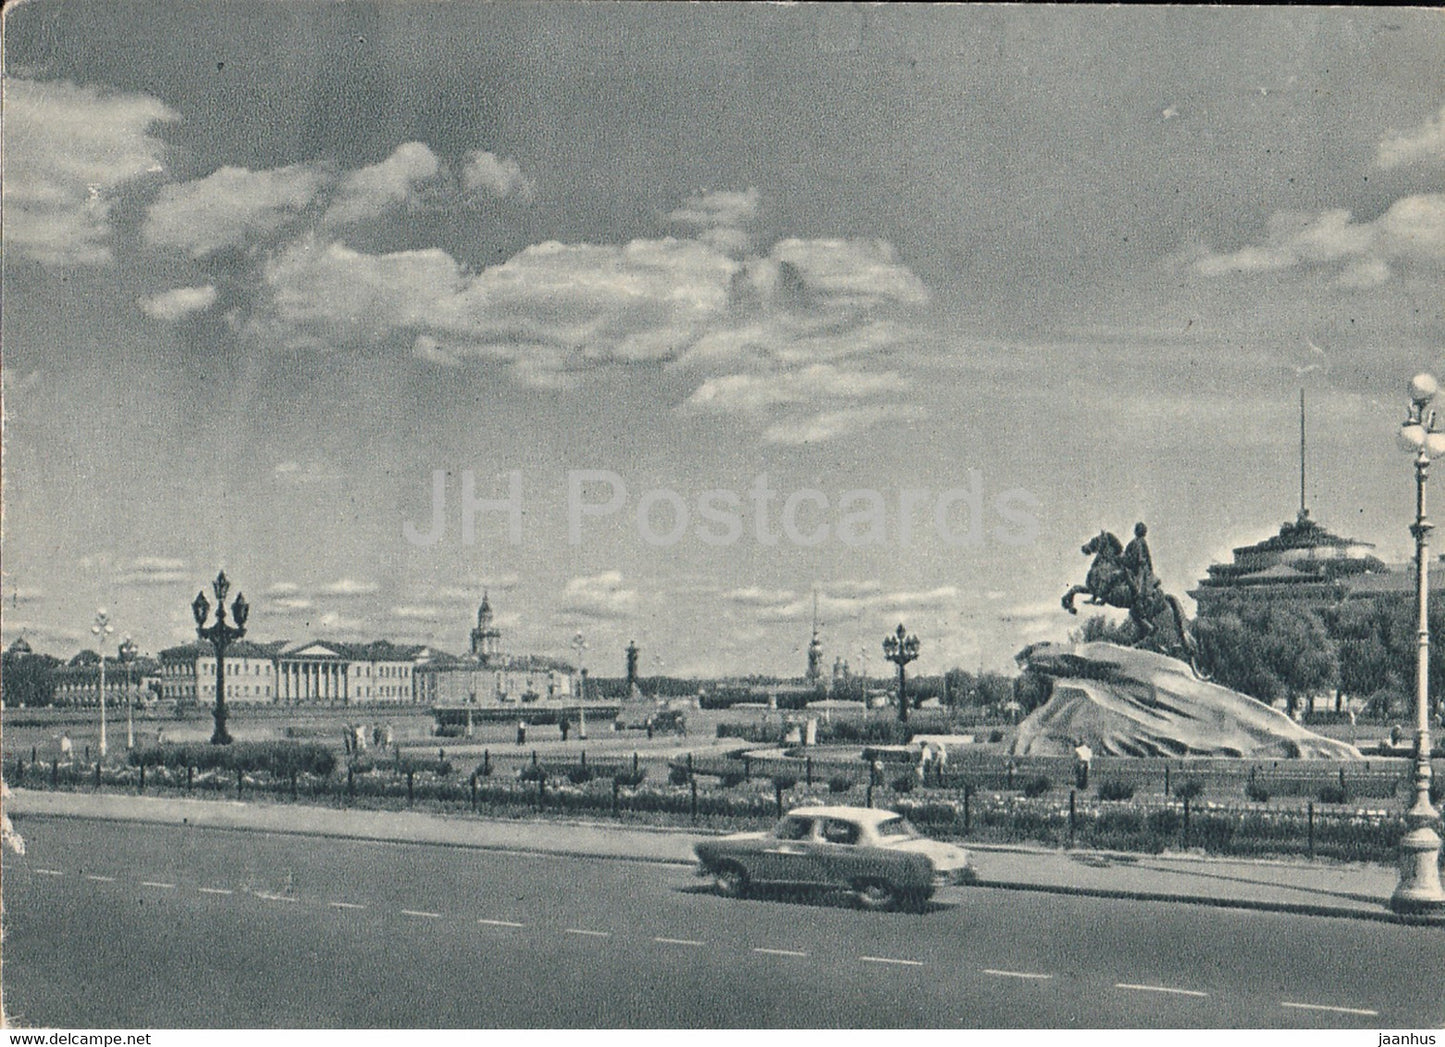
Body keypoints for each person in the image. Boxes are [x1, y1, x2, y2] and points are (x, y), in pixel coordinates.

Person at [1122, 522, 1155, 601]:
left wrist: (1150, 567)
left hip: (1140, 565)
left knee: (1142, 578)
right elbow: (1126, 552)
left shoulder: (1142, 542)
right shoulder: (1133, 542)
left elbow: (1147, 555)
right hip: (1133, 564)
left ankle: (1142, 594)